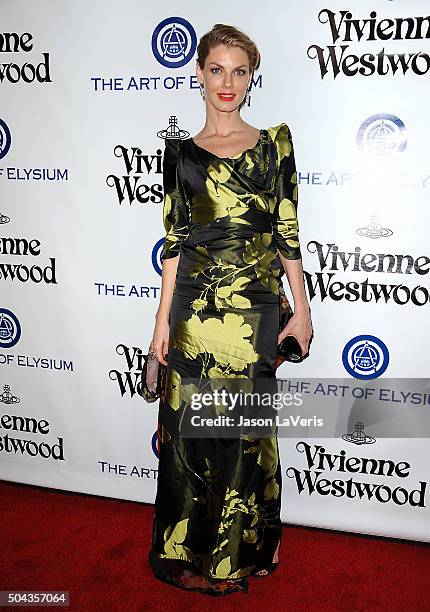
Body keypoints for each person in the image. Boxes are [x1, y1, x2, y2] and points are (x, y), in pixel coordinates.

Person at [148, 23, 313, 596]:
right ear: (197, 73)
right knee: (191, 437)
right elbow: (174, 245)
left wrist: (303, 309)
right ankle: (189, 553)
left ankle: (234, 557)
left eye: (239, 71)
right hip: (195, 314)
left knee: (245, 437)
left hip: (255, 313)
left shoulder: (274, 145)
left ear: (251, 80)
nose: (227, 82)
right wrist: (159, 329)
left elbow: (287, 231)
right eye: (216, 68)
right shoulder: (179, 157)